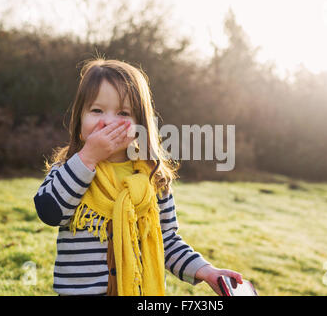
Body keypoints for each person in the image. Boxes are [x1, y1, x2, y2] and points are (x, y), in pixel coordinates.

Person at [33, 58, 242, 296]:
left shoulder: (154, 178)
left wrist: (205, 271)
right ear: (80, 119)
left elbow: (166, 240)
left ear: (140, 124)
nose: (108, 121)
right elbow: (49, 213)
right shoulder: (68, 169)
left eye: (123, 113)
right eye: (96, 110)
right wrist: (88, 158)